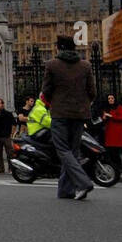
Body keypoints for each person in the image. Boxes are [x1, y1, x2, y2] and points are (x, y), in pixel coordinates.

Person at [40, 35, 96, 200]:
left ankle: (83, 182)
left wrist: (55, 103)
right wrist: (82, 104)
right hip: (80, 114)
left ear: (59, 48)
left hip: (60, 114)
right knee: (72, 150)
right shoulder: (85, 65)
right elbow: (92, 92)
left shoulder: (52, 65)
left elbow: (46, 91)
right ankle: (65, 190)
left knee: (63, 150)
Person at [100, 93, 122, 171]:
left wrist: (111, 116)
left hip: (117, 133)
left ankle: (119, 167)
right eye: (109, 98)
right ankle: (113, 167)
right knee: (110, 151)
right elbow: (103, 120)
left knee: (117, 152)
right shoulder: (106, 108)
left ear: (114, 99)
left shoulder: (119, 107)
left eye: (112, 98)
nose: (110, 100)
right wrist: (104, 117)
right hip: (109, 132)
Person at [0, 98, 16, 174]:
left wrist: (12, 133)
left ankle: (11, 169)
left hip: (6, 136)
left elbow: (14, 124)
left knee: (10, 154)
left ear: (3, 104)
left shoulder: (8, 113)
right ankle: (0, 169)